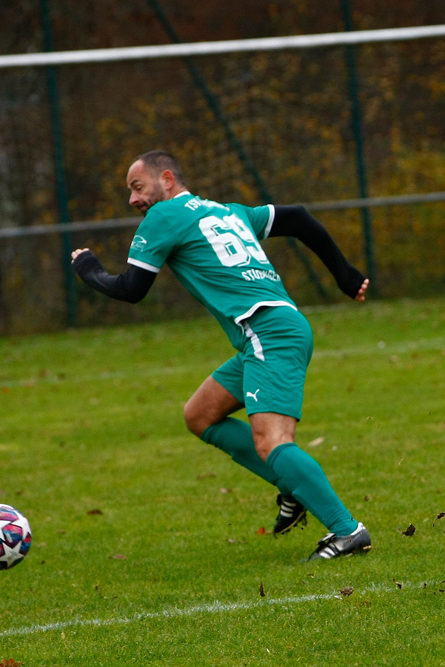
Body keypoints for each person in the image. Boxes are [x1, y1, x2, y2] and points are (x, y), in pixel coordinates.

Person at [71, 150, 372, 561]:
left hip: (268, 331)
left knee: (272, 442)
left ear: (167, 179)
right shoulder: (227, 211)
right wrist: (346, 274)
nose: (133, 200)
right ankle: (291, 485)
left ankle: (347, 531)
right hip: (271, 331)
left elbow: (131, 288)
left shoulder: (164, 217)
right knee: (200, 415)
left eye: (137, 187)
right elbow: (299, 217)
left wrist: (88, 268)